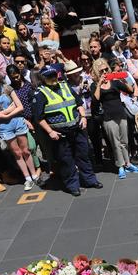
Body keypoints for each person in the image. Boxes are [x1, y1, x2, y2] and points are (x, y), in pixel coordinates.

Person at [32, 66, 102, 196]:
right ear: (43, 78)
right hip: (60, 134)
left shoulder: (65, 86)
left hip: (77, 128)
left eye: (53, 75)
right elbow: (39, 118)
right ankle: (73, 185)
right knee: (66, 161)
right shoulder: (40, 93)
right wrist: (50, 132)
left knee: (83, 156)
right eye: (48, 76)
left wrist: (83, 117)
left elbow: (79, 103)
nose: (52, 78)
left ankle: (90, 180)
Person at [0, 65, 38, 191]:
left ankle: (34, 175)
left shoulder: (7, 88)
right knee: (17, 152)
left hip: (16, 121)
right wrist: (9, 110)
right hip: (3, 126)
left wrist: (6, 113)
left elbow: (20, 106)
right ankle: (27, 177)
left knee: (26, 150)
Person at [90, 59, 138, 179]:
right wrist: (99, 84)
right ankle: (120, 166)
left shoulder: (114, 82)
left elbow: (130, 90)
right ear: (97, 72)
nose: (104, 72)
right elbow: (95, 100)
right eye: (101, 70)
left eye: (106, 69)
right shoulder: (94, 85)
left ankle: (128, 163)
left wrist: (123, 79)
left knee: (125, 141)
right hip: (108, 118)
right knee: (115, 143)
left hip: (120, 114)